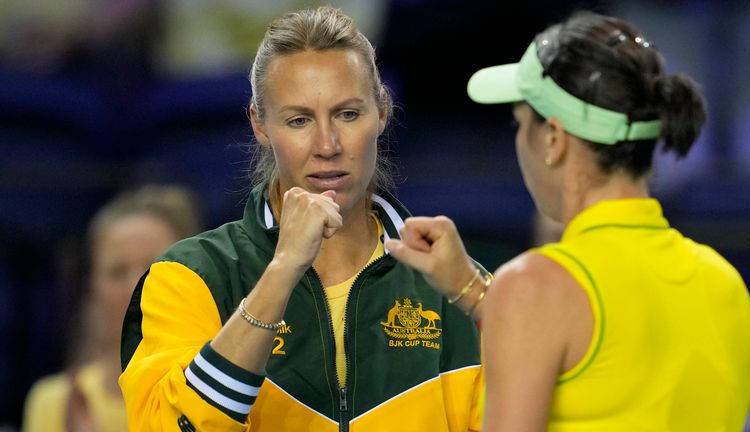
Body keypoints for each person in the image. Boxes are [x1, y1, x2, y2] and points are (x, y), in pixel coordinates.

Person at [385, 10, 750, 431]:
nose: (517, 140)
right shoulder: (726, 285)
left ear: (553, 140)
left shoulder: (532, 288)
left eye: (520, 123)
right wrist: (473, 290)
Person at [119, 6, 483, 432]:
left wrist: (477, 296)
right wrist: (281, 272)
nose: (326, 145)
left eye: (348, 114)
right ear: (260, 124)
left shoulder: (449, 282)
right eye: (298, 120)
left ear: (382, 111)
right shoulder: (190, 276)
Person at [22, 184, 202, 432]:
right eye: (117, 272)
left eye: (154, 266)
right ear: (92, 288)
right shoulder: (54, 401)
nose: (135, 286)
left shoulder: (230, 390)